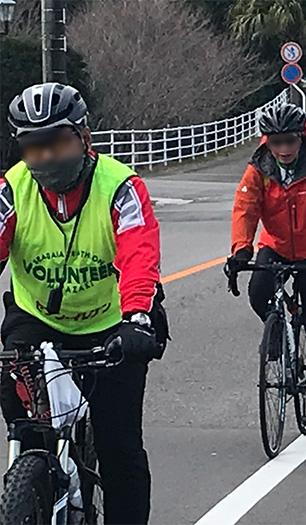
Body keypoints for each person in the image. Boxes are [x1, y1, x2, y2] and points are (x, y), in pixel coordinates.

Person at [2, 83, 167, 524]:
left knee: (120, 450)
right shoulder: (11, 190)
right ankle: (32, 487)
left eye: (58, 143)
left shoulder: (120, 187)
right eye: (34, 149)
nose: (47, 158)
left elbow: (139, 256)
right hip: (36, 319)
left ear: (84, 137)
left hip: (115, 322)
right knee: (27, 428)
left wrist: (137, 319)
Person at [227, 104, 306, 425]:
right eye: (276, 143)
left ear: (301, 138)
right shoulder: (258, 168)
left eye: (290, 141)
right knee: (258, 292)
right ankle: (276, 331)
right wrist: (240, 250)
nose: (283, 149)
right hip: (276, 245)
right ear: (266, 142)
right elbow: (245, 208)